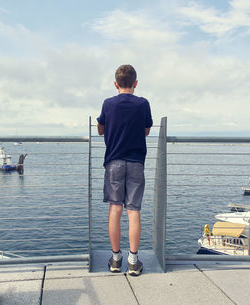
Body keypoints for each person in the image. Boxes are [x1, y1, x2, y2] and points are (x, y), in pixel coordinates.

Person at [97, 64, 153, 276]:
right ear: (136, 83)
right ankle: (133, 261)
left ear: (115, 84)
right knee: (134, 211)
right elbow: (146, 130)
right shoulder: (143, 104)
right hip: (137, 162)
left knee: (115, 210)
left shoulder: (108, 104)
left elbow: (101, 128)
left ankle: (115, 259)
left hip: (114, 162)